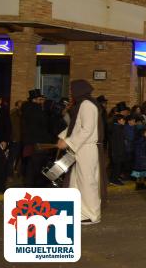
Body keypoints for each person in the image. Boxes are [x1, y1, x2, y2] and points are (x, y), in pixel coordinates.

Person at [57, 80, 102, 225]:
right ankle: (79, 211)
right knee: (76, 180)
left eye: (72, 90)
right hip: (81, 148)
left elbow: (86, 129)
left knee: (87, 181)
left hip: (86, 148)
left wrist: (68, 141)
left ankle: (91, 214)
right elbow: (75, 126)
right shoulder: (83, 104)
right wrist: (63, 137)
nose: (70, 93)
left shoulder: (87, 105)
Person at [22, 89, 53, 187]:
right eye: (40, 99)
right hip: (38, 144)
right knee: (37, 170)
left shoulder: (29, 109)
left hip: (33, 143)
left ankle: (31, 188)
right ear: (34, 100)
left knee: (32, 169)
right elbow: (44, 124)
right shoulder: (36, 110)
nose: (42, 102)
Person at [131, 120, 146, 190]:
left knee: (142, 172)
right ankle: (139, 184)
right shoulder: (141, 140)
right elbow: (142, 150)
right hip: (141, 158)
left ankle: (141, 184)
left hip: (143, 158)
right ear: (142, 133)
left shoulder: (143, 140)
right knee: (140, 172)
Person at [109, 114, 126, 186]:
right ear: (118, 121)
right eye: (122, 120)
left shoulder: (117, 127)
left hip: (116, 151)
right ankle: (114, 180)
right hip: (117, 151)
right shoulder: (117, 129)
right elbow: (118, 142)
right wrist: (120, 152)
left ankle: (114, 178)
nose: (124, 121)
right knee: (117, 166)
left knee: (116, 166)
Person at [8, 100, 23, 179]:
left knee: (19, 157)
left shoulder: (21, 114)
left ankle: (16, 172)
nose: (22, 106)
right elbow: (12, 127)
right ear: (17, 105)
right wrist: (13, 137)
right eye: (20, 104)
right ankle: (9, 174)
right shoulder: (13, 114)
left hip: (21, 139)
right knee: (12, 157)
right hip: (15, 139)